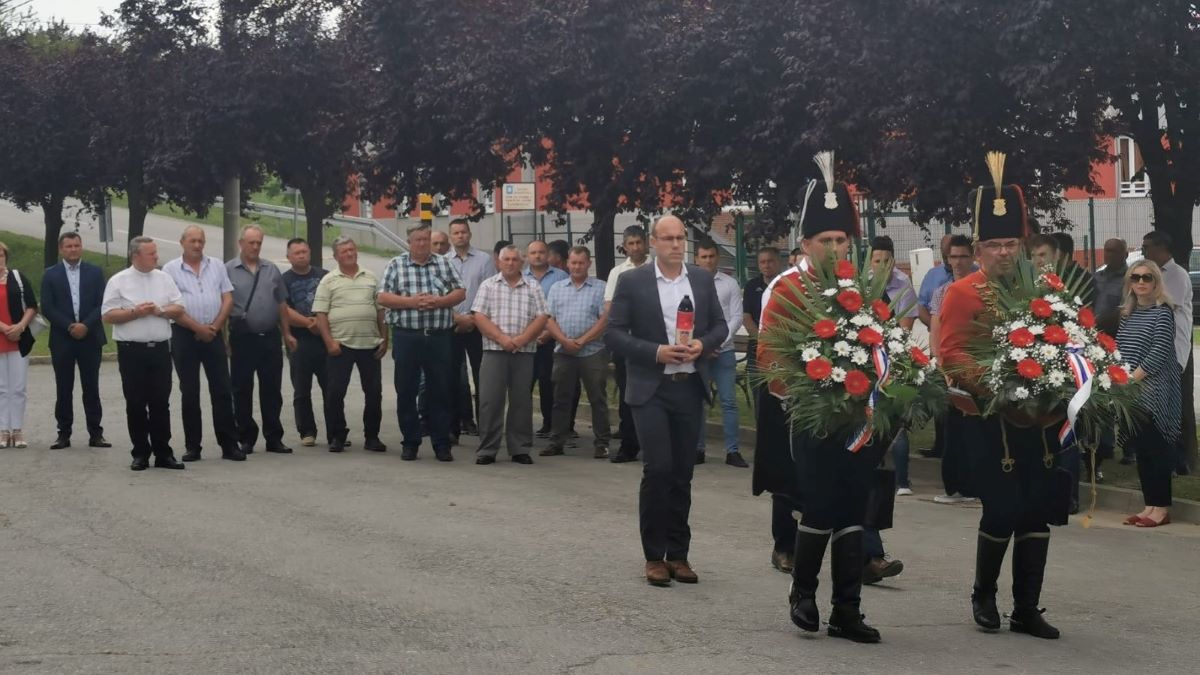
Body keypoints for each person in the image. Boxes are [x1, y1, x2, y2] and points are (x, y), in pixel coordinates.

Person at [758, 174, 885, 643]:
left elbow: (883, 342)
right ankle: (804, 594)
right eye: (825, 239)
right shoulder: (788, 289)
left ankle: (848, 609)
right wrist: (814, 390)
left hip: (860, 420)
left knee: (855, 508)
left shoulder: (863, 287)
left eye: (842, 239)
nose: (835, 247)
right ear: (806, 243)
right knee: (820, 504)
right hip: (811, 418)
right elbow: (769, 358)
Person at [939, 168, 1063, 639]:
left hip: (1041, 419)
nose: (1005, 251)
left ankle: (1027, 608)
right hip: (991, 420)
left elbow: (1066, 338)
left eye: (1011, 242)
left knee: (1038, 511)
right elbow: (951, 353)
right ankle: (984, 595)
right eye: (994, 245)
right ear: (978, 249)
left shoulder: (1044, 287)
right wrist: (996, 384)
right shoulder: (962, 292)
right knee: (1003, 510)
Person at [606, 215, 727, 588]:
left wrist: (702, 344)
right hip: (650, 388)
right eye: (669, 239)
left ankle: (679, 554)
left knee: (683, 473)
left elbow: (720, 326)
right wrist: (656, 351)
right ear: (653, 242)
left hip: (689, 386)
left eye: (681, 238)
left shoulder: (702, 280)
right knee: (658, 469)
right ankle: (654, 556)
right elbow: (614, 333)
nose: (676, 244)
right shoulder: (632, 281)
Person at [378, 223, 466, 461]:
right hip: (407, 336)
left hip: (438, 337)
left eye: (426, 239)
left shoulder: (443, 263)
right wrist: (412, 302)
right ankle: (410, 441)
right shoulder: (396, 264)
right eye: (417, 240)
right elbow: (383, 296)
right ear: (409, 242)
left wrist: (439, 301)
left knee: (440, 390)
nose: (422, 244)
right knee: (406, 390)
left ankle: (441, 443)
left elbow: (460, 292)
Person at [101, 237, 186, 471]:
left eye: (156, 253)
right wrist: (135, 312)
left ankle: (163, 452)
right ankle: (140, 452)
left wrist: (161, 311)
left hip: (159, 348)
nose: (156, 258)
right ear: (135, 256)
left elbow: (179, 307)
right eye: (151, 254)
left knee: (161, 401)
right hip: (132, 350)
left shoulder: (164, 278)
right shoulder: (119, 281)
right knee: (136, 402)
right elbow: (107, 315)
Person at [163, 226, 243, 462]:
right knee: (189, 391)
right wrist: (197, 328)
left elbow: (227, 298)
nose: (197, 245)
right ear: (182, 242)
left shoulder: (216, 265)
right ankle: (193, 446)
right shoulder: (170, 269)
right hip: (184, 334)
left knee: (222, 389)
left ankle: (229, 444)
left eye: (201, 241)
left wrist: (215, 327)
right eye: (193, 241)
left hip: (214, 331)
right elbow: (172, 307)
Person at [472, 245, 550, 465]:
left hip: (524, 352)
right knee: (490, 401)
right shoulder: (488, 286)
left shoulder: (533, 287)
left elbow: (542, 317)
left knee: (521, 401)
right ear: (498, 262)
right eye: (506, 259)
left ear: (521, 262)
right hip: (494, 351)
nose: (510, 263)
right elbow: (479, 316)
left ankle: (519, 448)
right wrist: (502, 338)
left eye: (515, 259)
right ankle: (487, 449)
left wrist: (522, 339)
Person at [1116, 261, 1179, 527]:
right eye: (1136, 277)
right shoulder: (1128, 312)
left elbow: (1159, 351)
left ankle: (1161, 508)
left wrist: (1132, 379)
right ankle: (1149, 505)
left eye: (1147, 277)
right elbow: (1119, 347)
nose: (1141, 282)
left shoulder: (1163, 312)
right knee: (1142, 450)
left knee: (1157, 450)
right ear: (1130, 282)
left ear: (1156, 282)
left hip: (1155, 391)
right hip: (1131, 391)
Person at [227, 225, 297, 455]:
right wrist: (224, 340)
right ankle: (246, 436)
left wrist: (286, 333)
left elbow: (282, 304)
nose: (255, 247)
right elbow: (223, 305)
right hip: (242, 338)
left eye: (258, 243)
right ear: (241, 244)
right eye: (251, 243)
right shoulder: (228, 270)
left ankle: (274, 437)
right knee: (242, 389)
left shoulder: (271, 269)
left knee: (272, 390)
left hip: (269, 337)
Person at [314, 237, 388, 453]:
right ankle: (337, 435)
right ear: (336, 256)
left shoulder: (371, 278)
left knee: (374, 393)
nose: (349, 253)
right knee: (335, 393)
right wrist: (329, 342)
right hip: (341, 345)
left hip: (370, 344)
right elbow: (320, 313)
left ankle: (372, 436)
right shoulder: (328, 281)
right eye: (344, 251)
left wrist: (384, 338)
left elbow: (381, 311)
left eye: (352, 249)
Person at [41, 232, 109, 450]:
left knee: (91, 386)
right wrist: (70, 326)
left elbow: (102, 303)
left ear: (81, 247)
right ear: (61, 249)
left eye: (76, 245)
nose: (73, 250)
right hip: (63, 338)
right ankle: (64, 433)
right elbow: (47, 307)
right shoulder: (50, 274)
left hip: (90, 337)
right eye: (69, 246)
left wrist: (85, 325)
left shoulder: (95, 273)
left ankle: (95, 433)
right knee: (64, 387)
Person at [541, 246, 611, 458]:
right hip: (563, 350)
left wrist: (582, 340)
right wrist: (563, 340)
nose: (577, 267)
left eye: (581, 263)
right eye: (573, 262)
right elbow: (548, 318)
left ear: (589, 263)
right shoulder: (557, 288)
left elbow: (604, 320)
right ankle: (557, 442)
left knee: (597, 398)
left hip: (592, 351)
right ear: (567, 264)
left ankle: (602, 443)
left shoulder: (601, 288)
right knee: (561, 398)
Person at [928, 235, 978, 504]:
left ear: (973, 258)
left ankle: (976, 485)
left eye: (963, 256)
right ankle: (954, 486)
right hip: (950, 369)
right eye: (953, 256)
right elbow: (936, 330)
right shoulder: (942, 292)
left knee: (977, 431)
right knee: (953, 431)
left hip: (977, 368)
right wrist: (942, 364)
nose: (958, 262)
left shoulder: (984, 288)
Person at [1141, 231, 1192, 475]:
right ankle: (1166, 459)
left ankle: (1177, 461)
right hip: (1154, 351)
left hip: (1172, 351)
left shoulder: (1177, 275)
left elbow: (1165, 303)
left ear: (1162, 249)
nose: (1144, 252)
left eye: (1147, 247)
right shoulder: (1153, 275)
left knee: (1169, 408)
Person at [693, 239, 748, 467]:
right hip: (699, 352)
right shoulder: (689, 283)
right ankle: (698, 449)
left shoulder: (729, 284)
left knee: (728, 402)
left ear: (717, 257)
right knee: (699, 401)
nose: (708, 261)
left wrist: (718, 342)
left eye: (711, 256)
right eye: (703, 257)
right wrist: (704, 346)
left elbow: (736, 317)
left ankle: (732, 451)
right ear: (697, 259)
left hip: (724, 351)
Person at [605, 225, 651, 463]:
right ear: (625, 245)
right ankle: (628, 445)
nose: (635, 247)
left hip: (653, 341)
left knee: (654, 393)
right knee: (627, 394)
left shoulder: (657, 268)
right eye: (630, 243)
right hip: (627, 342)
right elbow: (610, 308)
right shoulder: (618, 273)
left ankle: (653, 446)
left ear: (646, 243)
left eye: (638, 242)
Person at [448, 219, 496, 441]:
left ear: (469, 234)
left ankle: (484, 427)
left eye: (463, 232)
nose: (460, 236)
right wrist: (456, 317)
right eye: (456, 233)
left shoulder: (484, 260)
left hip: (478, 325)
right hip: (452, 325)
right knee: (453, 378)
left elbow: (490, 292)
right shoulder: (442, 261)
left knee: (481, 376)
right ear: (451, 236)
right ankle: (455, 427)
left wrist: (474, 319)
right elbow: (441, 293)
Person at [282, 238, 329, 447]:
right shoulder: (283, 280)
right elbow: (283, 310)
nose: (301, 255)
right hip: (299, 341)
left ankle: (337, 430)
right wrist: (309, 322)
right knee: (302, 390)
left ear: (309, 252)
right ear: (289, 257)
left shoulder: (324, 276)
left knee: (332, 388)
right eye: (296, 253)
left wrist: (321, 324)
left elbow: (334, 303)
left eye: (304, 251)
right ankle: (307, 431)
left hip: (324, 340)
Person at [525, 240, 569, 438]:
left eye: (541, 252)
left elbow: (563, 308)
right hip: (525, 338)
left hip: (550, 338)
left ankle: (549, 422)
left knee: (548, 381)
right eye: (533, 253)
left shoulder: (560, 277)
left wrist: (548, 333)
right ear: (527, 256)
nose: (538, 256)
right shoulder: (520, 276)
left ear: (547, 255)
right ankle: (522, 424)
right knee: (524, 382)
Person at [1094, 239, 1131, 465]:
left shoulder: (1131, 279)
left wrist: (1096, 321)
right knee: (1102, 394)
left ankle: (1129, 448)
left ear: (1125, 254)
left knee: (1123, 395)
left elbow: (1124, 310)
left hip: (1120, 342)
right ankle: (1106, 445)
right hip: (1097, 343)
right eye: (1107, 250)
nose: (1109, 254)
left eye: (1115, 251)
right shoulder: (1096, 277)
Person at [0, 241, 39, 449]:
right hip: (2, 336)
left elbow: (32, 305)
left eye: (1, 255)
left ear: (6, 256)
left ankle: (17, 429)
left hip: (18, 339)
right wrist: (5, 328)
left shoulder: (17, 277)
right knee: (2, 388)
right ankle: (3, 430)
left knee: (18, 388)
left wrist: (20, 327)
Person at [742, 247, 782, 382]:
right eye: (762, 262)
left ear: (778, 262)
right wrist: (762, 340)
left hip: (782, 347)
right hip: (757, 347)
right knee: (759, 394)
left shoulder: (788, 284)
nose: (766, 265)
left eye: (770, 261)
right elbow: (746, 317)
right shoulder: (751, 286)